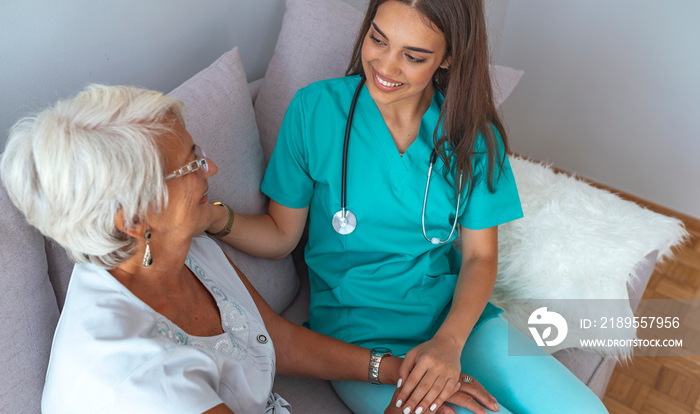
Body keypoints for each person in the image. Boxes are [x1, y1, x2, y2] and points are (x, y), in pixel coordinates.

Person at [206, 0, 608, 414]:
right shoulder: (315, 112)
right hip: (360, 338)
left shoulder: (473, 137)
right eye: (378, 39)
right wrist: (215, 218)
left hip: (455, 323)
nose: (386, 67)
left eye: (413, 56)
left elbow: (479, 256)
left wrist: (449, 344)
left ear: (449, 57)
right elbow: (280, 236)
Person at [0, 85, 494, 413]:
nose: (209, 169)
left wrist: (396, 372)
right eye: (189, 164)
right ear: (131, 219)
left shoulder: (177, 245)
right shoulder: (139, 379)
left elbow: (272, 337)